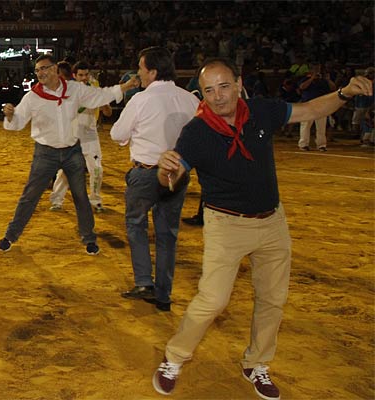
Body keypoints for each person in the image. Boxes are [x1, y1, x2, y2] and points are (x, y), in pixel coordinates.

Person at [152, 58, 372, 399]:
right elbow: (172, 176)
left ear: (238, 84)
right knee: (212, 300)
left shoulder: (260, 111)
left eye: (224, 86)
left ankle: (257, 363)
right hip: (225, 224)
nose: (219, 96)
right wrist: (165, 170)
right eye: (209, 90)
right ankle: (174, 357)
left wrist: (343, 93)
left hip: (272, 222)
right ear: (203, 94)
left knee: (273, 299)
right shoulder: (196, 132)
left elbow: (310, 109)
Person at [0, 54, 138, 255]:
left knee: (81, 196)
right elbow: (18, 122)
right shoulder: (33, 96)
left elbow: (99, 96)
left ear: (55, 69)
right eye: (37, 70)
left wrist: (123, 88)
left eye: (44, 68)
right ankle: (10, 236)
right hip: (45, 153)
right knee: (30, 196)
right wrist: (11, 115)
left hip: (72, 150)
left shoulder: (74, 89)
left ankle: (89, 238)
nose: (40, 73)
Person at [111, 47, 200, 312]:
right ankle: (164, 294)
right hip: (178, 173)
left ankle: (143, 282)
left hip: (146, 172)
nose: (139, 73)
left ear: (152, 71)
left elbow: (117, 133)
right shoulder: (190, 99)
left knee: (136, 225)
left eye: (141, 68)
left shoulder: (141, 99)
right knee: (167, 234)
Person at [49, 62, 112, 213]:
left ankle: (95, 200)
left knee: (97, 169)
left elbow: (108, 113)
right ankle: (57, 200)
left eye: (86, 75)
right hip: (72, 135)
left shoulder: (95, 90)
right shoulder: (66, 92)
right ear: (74, 76)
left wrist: (102, 102)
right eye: (81, 75)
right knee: (65, 171)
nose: (84, 78)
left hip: (90, 136)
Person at [297, 63, 336, 151]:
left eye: (318, 69)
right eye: (315, 69)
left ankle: (321, 145)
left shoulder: (323, 81)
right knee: (306, 125)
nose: (317, 71)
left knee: (321, 126)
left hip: (321, 105)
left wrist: (328, 80)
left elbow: (333, 88)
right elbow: (302, 87)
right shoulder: (305, 79)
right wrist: (311, 78)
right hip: (308, 105)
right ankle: (303, 144)